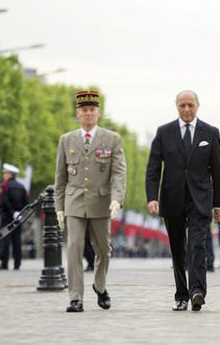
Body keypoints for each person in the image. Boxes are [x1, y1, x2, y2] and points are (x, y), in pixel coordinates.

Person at [146, 90, 220, 312]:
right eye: (182, 105)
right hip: (172, 199)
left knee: (197, 245)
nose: (187, 109)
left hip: (200, 200)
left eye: (190, 105)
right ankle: (181, 295)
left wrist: (218, 204)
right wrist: (152, 197)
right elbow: (153, 168)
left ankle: (197, 291)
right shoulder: (164, 133)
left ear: (198, 106)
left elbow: (217, 171)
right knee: (177, 249)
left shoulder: (210, 132)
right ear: (176, 107)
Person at [55, 90, 127, 313]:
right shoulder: (66, 140)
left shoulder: (111, 139)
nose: (88, 114)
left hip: (101, 202)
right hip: (74, 202)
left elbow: (119, 172)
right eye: (84, 110)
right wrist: (59, 208)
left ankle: (100, 285)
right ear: (78, 113)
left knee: (104, 250)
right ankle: (75, 297)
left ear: (98, 112)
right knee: (74, 248)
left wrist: (117, 199)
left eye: (92, 110)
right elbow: (60, 178)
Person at [0, 163, 28, 270]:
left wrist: (12, 212)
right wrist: (19, 213)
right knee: (17, 241)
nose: (4, 175)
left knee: (5, 240)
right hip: (18, 218)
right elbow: (26, 203)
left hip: (7, 217)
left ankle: (4, 263)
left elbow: (4, 201)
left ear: (10, 174)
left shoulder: (5, 186)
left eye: (5, 173)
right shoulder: (21, 187)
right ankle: (17, 264)